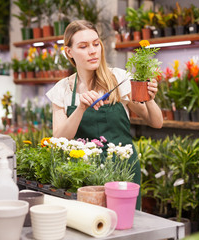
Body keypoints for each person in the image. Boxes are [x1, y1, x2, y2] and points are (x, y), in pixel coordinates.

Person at [46, 20, 163, 209]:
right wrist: (80, 108)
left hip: (124, 172)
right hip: (85, 175)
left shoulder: (119, 79)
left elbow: (156, 122)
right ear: (69, 52)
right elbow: (59, 139)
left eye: (96, 43)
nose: (92, 51)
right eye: (83, 46)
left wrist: (149, 98)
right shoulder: (62, 90)